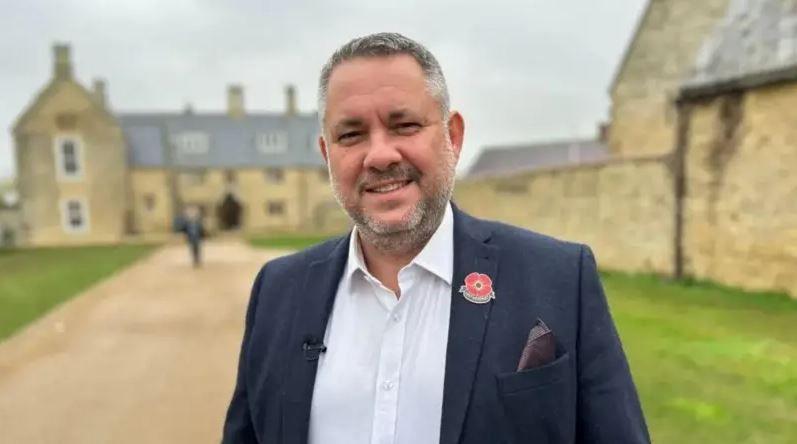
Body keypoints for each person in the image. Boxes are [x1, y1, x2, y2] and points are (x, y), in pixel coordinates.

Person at [222, 33, 649, 444]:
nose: (380, 155)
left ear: (453, 136)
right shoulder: (278, 291)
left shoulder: (558, 279)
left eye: (404, 125)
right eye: (351, 135)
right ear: (326, 154)